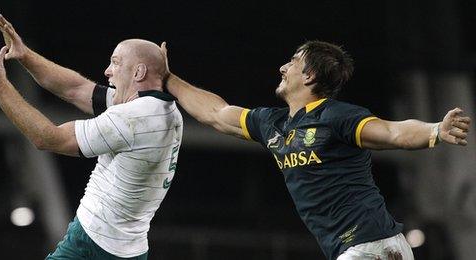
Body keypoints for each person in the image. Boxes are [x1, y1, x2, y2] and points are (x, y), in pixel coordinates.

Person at [162, 40, 471, 260]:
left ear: (309, 75)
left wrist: (435, 131)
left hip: (372, 245)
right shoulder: (272, 123)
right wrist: (168, 79)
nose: (283, 66)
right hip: (356, 250)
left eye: (293, 61)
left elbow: (391, 131)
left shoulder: (336, 116)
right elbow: (216, 113)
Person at [0, 14, 183, 260]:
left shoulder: (131, 119)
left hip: (93, 245)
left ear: (139, 71)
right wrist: (24, 55)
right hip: (131, 250)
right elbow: (76, 89)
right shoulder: (162, 110)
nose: (108, 71)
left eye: (116, 63)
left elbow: (49, 139)